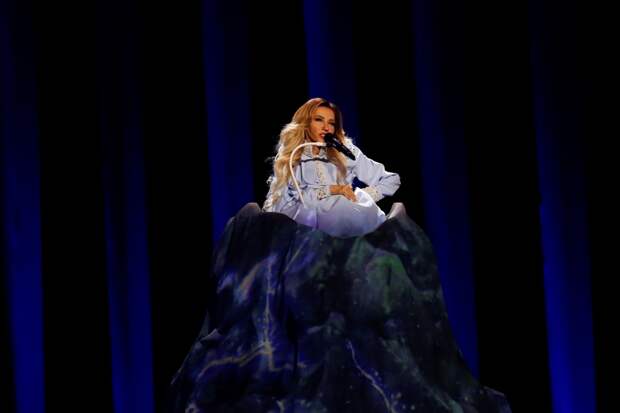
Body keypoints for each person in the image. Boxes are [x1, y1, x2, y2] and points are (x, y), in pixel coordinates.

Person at [262, 97, 400, 238]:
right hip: (305, 230)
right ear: (306, 123)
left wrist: (362, 198)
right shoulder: (293, 155)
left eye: (331, 123)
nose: (326, 128)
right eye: (319, 120)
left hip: (345, 227)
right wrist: (334, 189)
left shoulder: (345, 151)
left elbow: (391, 180)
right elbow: (296, 199)